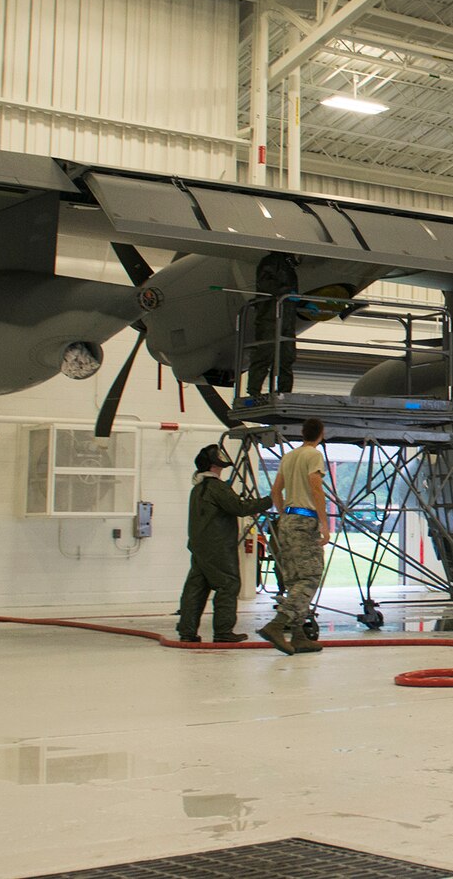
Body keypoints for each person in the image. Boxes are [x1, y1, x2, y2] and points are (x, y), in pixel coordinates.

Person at [175, 445, 270, 644]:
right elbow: (239, 507)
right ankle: (223, 631)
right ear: (214, 464)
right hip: (218, 547)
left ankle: (187, 630)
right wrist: (268, 501)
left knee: (196, 588)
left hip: (199, 547)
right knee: (228, 585)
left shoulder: (198, 489)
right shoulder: (217, 487)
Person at [258, 417, 329, 655]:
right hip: (304, 519)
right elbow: (315, 486)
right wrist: (324, 522)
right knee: (310, 577)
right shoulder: (313, 456)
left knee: (293, 579)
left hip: (286, 520)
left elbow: (276, 490)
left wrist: (283, 514)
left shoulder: (288, 457)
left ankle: (298, 636)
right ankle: (278, 625)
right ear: (321, 434)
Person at [246, 251, 300, 395]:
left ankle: (284, 392)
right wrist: (288, 292)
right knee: (265, 354)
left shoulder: (288, 267)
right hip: (269, 317)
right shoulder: (272, 262)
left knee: (286, 357)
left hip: (286, 318)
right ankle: (254, 391)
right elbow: (266, 284)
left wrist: (303, 303)